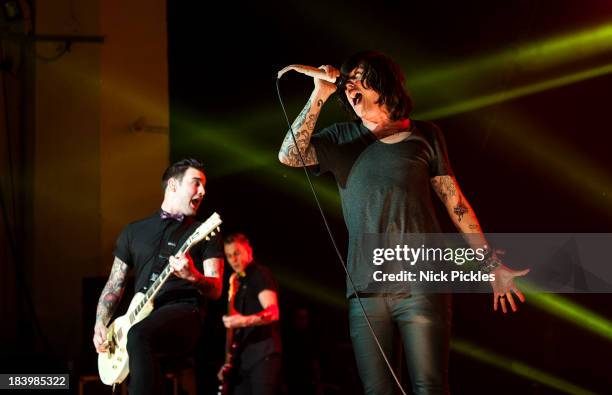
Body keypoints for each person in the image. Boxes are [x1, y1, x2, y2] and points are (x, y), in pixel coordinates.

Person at [277, 51, 529, 395]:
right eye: (346, 79)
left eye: (358, 77)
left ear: (384, 83)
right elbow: (288, 155)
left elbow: (455, 203)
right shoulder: (340, 139)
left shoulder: (425, 135)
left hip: (422, 283)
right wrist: (318, 93)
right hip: (366, 288)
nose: (349, 84)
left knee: (430, 387)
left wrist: (491, 264)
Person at [92, 158, 224, 395]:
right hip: (140, 316)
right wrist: (100, 322)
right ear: (173, 185)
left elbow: (215, 289)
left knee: (139, 334)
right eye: (196, 183)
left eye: (204, 186)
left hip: (184, 311)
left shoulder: (204, 232)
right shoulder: (133, 231)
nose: (203, 191)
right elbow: (114, 284)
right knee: (140, 342)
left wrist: (193, 276)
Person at [217, 233, 282, 395]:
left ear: (249, 251)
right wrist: (227, 361)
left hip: (263, 355)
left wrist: (242, 322)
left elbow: (273, 312)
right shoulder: (236, 281)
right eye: (229, 255)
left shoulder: (259, 274)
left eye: (237, 253)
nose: (233, 259)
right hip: (242, 360)